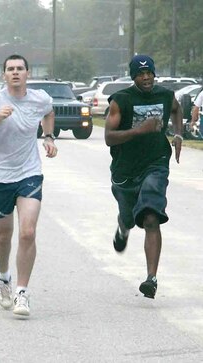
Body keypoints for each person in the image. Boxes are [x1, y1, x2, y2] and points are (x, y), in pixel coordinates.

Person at [0, 54, 57, 317]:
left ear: (28, 73)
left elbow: (49, 113)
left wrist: (49, 136)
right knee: (4, 235)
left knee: (27, 232)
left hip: (29, 173)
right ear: (4, 75)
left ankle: (22, 292)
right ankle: (3, 277)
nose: (15, 72)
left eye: (20, 68)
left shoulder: (40, 98)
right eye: (10, 69)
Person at [105, 54, 182, 299]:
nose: (146, 77)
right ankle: (123, 226)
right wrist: (139, 130)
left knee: (151, 217)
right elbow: (108, 137)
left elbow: (177, 111)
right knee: (129, 217)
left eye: (149, 73)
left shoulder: (165, 95)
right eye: (141, 74)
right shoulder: (121, 100)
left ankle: (151, 279)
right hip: (125, 169)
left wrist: (178, 135)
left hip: (156, 162)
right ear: (133, 76)